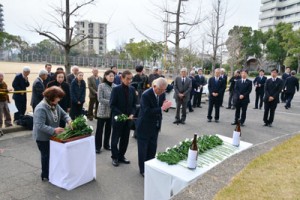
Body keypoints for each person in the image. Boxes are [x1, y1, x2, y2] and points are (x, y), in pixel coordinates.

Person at [33, 86, 72, 181]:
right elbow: (39, 125)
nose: (60, 99)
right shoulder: (41, 108)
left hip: (52, 136)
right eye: (58, 97)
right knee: (46, 156)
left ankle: (53, 172)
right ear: (52, 97)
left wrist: (69, 120)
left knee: (53, 155)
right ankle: (45, 174)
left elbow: (64, 114)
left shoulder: (55, 104)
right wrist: (54, 130)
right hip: (42, 137)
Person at [136, 77, 172, 177]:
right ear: (154, 86)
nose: (162, 92)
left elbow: (162, 107)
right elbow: (147, 112)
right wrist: (161, 108)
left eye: (164, 90)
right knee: (143, 150)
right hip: (144, 125)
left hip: (155, 125)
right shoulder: (146, 95)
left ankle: (150, 167)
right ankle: (143, 170)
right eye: (160, 90)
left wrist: (166, 107)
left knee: (152, 148)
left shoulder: (162, 93)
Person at [110, 70, 136, 167]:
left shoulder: (132, 89)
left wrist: (132, 114)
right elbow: (112, 105)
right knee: (115, 139)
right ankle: (115, 157)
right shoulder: (116, 89)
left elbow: (134, 105)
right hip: (118, 119)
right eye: (127, 79)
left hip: (128, 120)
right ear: (122, 78)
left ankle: (121, 156)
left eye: (130, 79)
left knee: (125, 139)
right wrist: (122, 115)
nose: (129, 81)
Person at [95, 70, 115, 154]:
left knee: (108, 129)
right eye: (110, 76)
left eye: (113, 76)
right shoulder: (101, 86)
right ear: (105, 76)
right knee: (100, 130)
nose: (111, 77)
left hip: (111, 111)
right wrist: (111, 102)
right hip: (102, 111)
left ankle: (106, 144)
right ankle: (97, 146)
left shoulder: (115, 86)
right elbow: (100, 99)